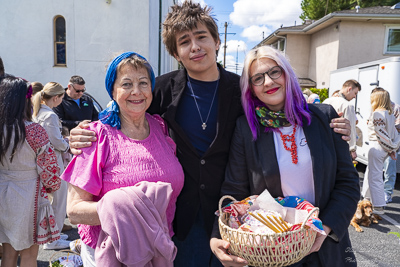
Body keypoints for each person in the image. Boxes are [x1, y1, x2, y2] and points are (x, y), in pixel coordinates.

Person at [67, 1, 352, 266]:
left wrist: (328, 125)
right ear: (175, 53)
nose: (195, 47)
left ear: (217, 41)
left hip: (238, 220)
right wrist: (83, 132)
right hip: (182, 218)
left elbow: (281, 112)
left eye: (201, 37)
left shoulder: (244, 91)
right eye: (184, 42)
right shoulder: (163, 90)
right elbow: (125, 105)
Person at [210, 46, 360, 267]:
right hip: (274, 254)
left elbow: (348, 183)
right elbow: (234, 189)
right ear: (251, 89)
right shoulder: (246, 130)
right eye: (258, 78)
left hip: (328, 250)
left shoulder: (325, 118)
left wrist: (324, 228)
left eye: (274, 72)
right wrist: (217, 235)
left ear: (287, 73)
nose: (268, 82)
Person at [61, 52, 184, 267]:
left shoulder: (161, 127)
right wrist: (119, 207)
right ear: (113, 90)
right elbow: (74, 211)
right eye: (126, 84)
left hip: (158, 248)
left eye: (143, 83)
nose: (136, 91)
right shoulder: (95, 136)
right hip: (110, 254)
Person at [0, 76, 61, 266]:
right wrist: (52, 187)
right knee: (28, 254)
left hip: (3, 192)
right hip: (29, 195)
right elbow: (50, 170)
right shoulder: (34, 131)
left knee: (8, 253)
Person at [32, 82, 71, 250]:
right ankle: (52, 239)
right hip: (53, 160)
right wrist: (67, 145)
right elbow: (56, 141)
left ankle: (51, 234)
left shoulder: (37, 112)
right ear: (55, 97)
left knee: (48, 199)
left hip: (41, 161)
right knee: (59, 198)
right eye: (62, 97)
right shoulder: (50, 116)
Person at [361, 87, 400, 214]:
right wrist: (393, 148)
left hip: (377, 147)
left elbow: (380, 134)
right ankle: (367, 199)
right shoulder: (390, 114)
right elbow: (394, 134)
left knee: (375, 177)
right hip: (384, 149)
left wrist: (390, 148)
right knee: (372, 173)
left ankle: (378, 206)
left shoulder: (378, 113)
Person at [323, 79, 361, 160]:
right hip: (340, 146)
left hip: (325, 144)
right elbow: (351, 129)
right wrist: (352, 149)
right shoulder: (347, 105)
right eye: (355, 93)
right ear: (349, 89)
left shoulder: (326, 101)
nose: (355, 97)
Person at [383, 99, 400, 203]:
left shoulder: (396, 108)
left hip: (392, 143)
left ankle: (387, 192)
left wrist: (390, 126)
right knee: (375, 170)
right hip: (379, 144)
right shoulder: (376, 107)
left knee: (390, 167)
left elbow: (399, 126)